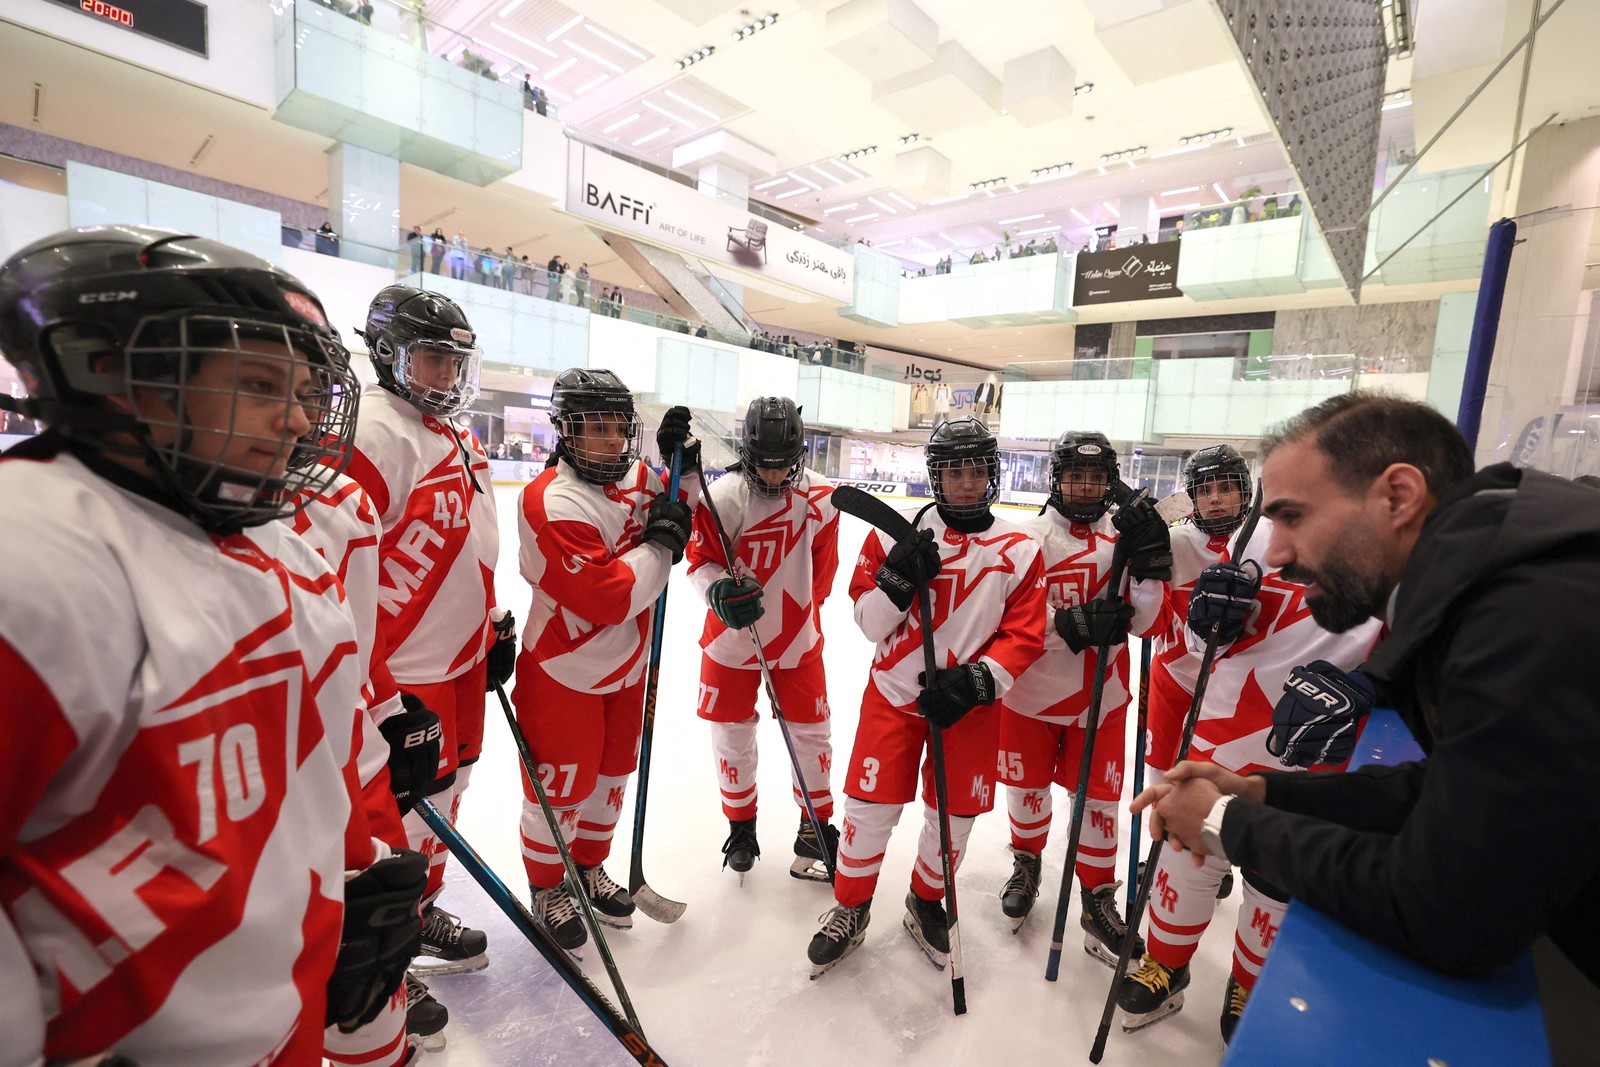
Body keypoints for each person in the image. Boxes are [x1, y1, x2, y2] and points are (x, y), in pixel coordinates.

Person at [0, 225, 424, 1063]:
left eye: (307, 389)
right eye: (263, 384)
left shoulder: (281, 546)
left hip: (285, 1017)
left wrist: (343, 893)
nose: (302, 420)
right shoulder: (35, 559)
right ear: (121, 379)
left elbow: (301, 775)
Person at [1139, 392, 1600, 1064]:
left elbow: (1447, 912)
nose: (1282, 553)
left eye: (1293, 517)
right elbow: (1449, 786)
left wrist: (1222, 822)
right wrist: (1262, 790)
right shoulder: (1502, 576)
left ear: (1398, 495)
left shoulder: (1530, 616)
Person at [1115, 449, 1381, 1042]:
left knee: (1275, 878)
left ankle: (1249, 984)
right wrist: (1208, 619)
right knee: (1187, 853)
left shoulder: (1386, 557)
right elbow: (1185, 634)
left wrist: (1371, 680)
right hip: (1220, 732)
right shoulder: (1250, 537)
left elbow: (1417, 642)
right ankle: (1167, 963)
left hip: (1309, 750)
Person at [808, 417, 1046, 976]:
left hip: (968, 711)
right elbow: (868, 623)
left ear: (993, 471)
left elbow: (1025, 634)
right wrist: (897, 580)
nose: (966, 481)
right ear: (935, 474)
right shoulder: (892, 534)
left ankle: (926, 899)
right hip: (892, 697)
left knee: (954, 818)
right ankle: (851, 907)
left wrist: (976, 683)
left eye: (976, 468)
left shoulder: (1019, 547)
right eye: (953, 469)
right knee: (868, 812)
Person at [346, 285, 514, 1040]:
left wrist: (496, 623)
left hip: (458, 663)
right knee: (395, 814)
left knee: (444, 801)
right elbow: (344, 567)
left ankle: (417, 914)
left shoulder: (453, 432)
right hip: (401, 672)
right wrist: (378, 693)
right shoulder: (376, 432)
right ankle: (387, 954)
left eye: (454, 358)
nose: (446, 373)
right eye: (431, 356)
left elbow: (474, 538)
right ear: (388, 355)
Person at [512, 369, 701, 951]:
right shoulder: (552, 501)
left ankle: (589, 868)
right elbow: (614, 596)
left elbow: (677, 511)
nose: (610, 442)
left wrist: (684, 472)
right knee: (558, 790)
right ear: (565, 432)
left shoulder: (640, 478)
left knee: (611, 780)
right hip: (564, 671)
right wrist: (660, 545)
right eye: (593, 429)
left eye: (618, 428)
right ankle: (549, 887)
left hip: (628, 669)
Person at [994, 432, 1170, 969]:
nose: (1087, 486)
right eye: (1076, 475)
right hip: (1029, 696)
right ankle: (1027, 862)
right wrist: (1067, 624)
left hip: (1103, 699)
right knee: (1027, 790)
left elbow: (1145, 623)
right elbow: (1005, 620)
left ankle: (1097, 898)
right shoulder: (1027, 538)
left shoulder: (1126, 537)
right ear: (1057, 477)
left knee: (1097, 802)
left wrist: (1153, 567)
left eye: (1097, 478)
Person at [685, 397, 842, 883]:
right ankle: (742, 827)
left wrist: (793, 614)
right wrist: (717, 591)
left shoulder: (823, 499)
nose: (773, 478)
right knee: (732, 736)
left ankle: (813, 829)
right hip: (730, 643)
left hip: (797, 640)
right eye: (763, 466)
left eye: (783, 467)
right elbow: (699, 561)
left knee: (812, 735)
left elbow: (823, 575)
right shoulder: (724, 495)